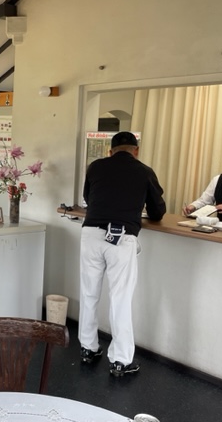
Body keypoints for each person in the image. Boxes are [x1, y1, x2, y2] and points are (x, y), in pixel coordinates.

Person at [79, 131, 166, 377]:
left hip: (91, 234)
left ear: (110, 151)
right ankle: (120, 361)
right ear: (136, 151)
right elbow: (158, 211)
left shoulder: (95, 167)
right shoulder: (144, 171)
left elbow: (88, 197)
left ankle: (88, 348)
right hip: (122, 237)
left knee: (88, 293)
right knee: (120, 299)